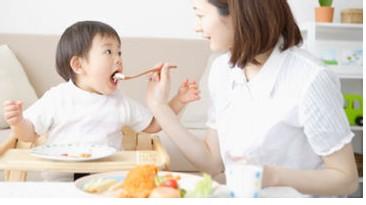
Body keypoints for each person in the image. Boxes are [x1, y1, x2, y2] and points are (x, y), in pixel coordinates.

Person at [145, 0, 358, 196]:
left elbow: (346, 179)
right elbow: (212, 161)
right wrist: (159, 106)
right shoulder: (222, 69)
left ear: (236, 14)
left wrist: (273, 176)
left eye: (200, 16)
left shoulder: (310, 78)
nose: (196, 27)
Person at [2, 21, 200, 181]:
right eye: (108, 52)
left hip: (107, 179)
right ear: (78, 65)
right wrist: (18, 121)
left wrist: (179, 100)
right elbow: (28, 135)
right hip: (60, 179)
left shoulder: (120, 102)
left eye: (119, 52)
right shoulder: (57, 98)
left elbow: (156, 124)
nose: (118, 59)